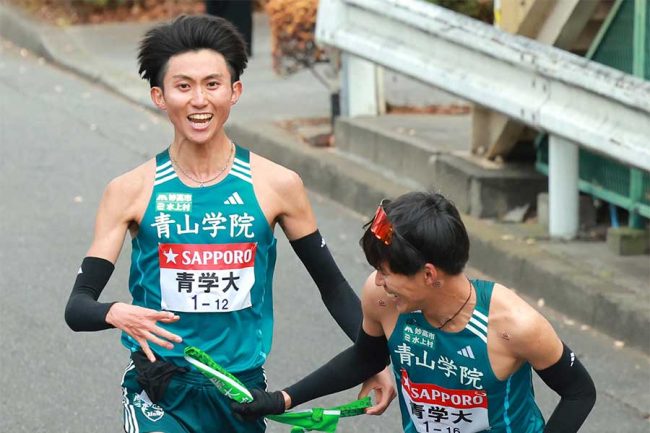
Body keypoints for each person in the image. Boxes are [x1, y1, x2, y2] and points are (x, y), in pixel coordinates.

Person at [64, 14, 394, 433]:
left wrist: (370, 357)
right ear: (159, 96)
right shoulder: (131, 190)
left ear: (235, 91)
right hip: (159, 389)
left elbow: (331, 286)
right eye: (183, 86)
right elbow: (78, 306)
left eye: (212, 84)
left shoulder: (277, 185)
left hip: (242, 392)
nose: (199, 100)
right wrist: (115, 313)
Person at [232, 191, 597, 433]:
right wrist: (283, 399)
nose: (378, 280)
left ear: (428, 274)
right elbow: (365, 357)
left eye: (387, 272)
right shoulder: (383, 299)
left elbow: (580, 392)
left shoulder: (514, 324)